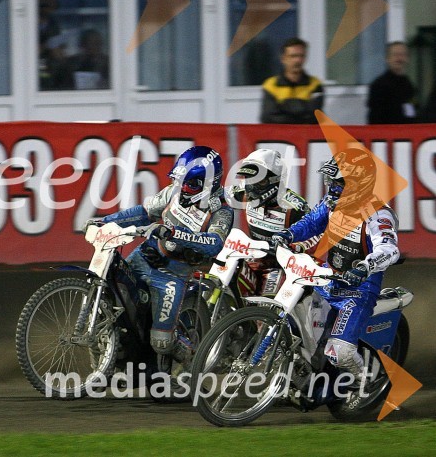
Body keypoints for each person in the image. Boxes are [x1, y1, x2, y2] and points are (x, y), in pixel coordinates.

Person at [87, 146, 234, 373]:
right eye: (182, 181)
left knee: (162, 342)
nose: (184, 188)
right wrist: (105, 220)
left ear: (210, 184)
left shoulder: (222, 211)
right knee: (113, 293)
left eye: (191, 184)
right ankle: (111, 360)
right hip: (144, 256)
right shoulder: (173, 193)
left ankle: (194, 364)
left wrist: (176, 234)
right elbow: (144, 212)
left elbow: (214, 242)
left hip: (174, 274)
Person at [272, 148, 400, 399]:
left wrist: (365, 267)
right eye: (330, 181)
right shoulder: (332, 204)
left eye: (337, 182)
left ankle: (365, 385)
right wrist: (287, 235)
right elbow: (311, 223)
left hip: (359, 290)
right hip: (328, 279)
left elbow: (390, 249)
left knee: (338, 352)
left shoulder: (378, 213)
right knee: (293, 322)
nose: (331, 188)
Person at [226, 149, 315, 295]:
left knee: (266, 304)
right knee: (228, 280)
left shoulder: (294, 206)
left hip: (282, 265)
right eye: (248, 179)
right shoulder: (243, 192)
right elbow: (215, 195)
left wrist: (295, 247)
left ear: (275, 180)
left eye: (258, 180)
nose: (250, 186)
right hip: (255, 258)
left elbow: (315, 235)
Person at [260, 37, 324, 124]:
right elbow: (267, 118)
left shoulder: (315, 84)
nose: (298, 60)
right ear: (283, 59)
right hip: (279, 136)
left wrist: (283, 106)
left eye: (301, 56)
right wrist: (302, 108)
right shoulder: (271, 85)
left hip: (306, 136)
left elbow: (316, 117)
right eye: (293, 56)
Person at [368, 41, 417, 124]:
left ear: (408, 58)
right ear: (387, 58)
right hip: (387, 134)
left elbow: (410, 111)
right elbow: (375, 117)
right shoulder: (379, 85)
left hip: (406, 133)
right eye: (395, 55)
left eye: (402, 55)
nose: (399, 58)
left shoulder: (408, 85)